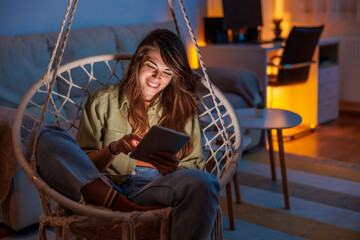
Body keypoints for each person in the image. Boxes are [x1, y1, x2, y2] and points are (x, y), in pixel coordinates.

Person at [27, 29, 220, 240]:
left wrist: (174, 170)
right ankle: (122, 206)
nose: (157, 78)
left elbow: (196, 171)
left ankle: (124, 206)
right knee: (43, 137)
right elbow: (82, 167)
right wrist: (113, 149)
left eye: (167, 73)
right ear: (138, 61)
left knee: (205, 183)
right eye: (151, 67)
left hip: (155, 188)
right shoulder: (102, 101)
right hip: (104, 187)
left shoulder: (183, 110)